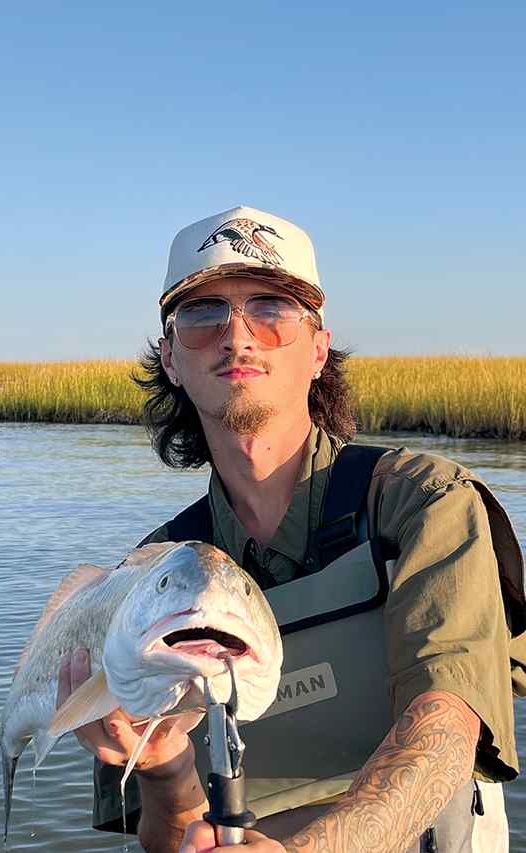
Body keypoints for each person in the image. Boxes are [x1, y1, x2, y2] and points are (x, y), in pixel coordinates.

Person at [57, 205, 525, 853]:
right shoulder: (157, 576)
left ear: (318, 348)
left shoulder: (423, 500)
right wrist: (165, 767)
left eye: (272, 309)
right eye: (202, 314)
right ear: (169, 357)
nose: (237, 335)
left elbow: (447, 723)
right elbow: (167, 835)